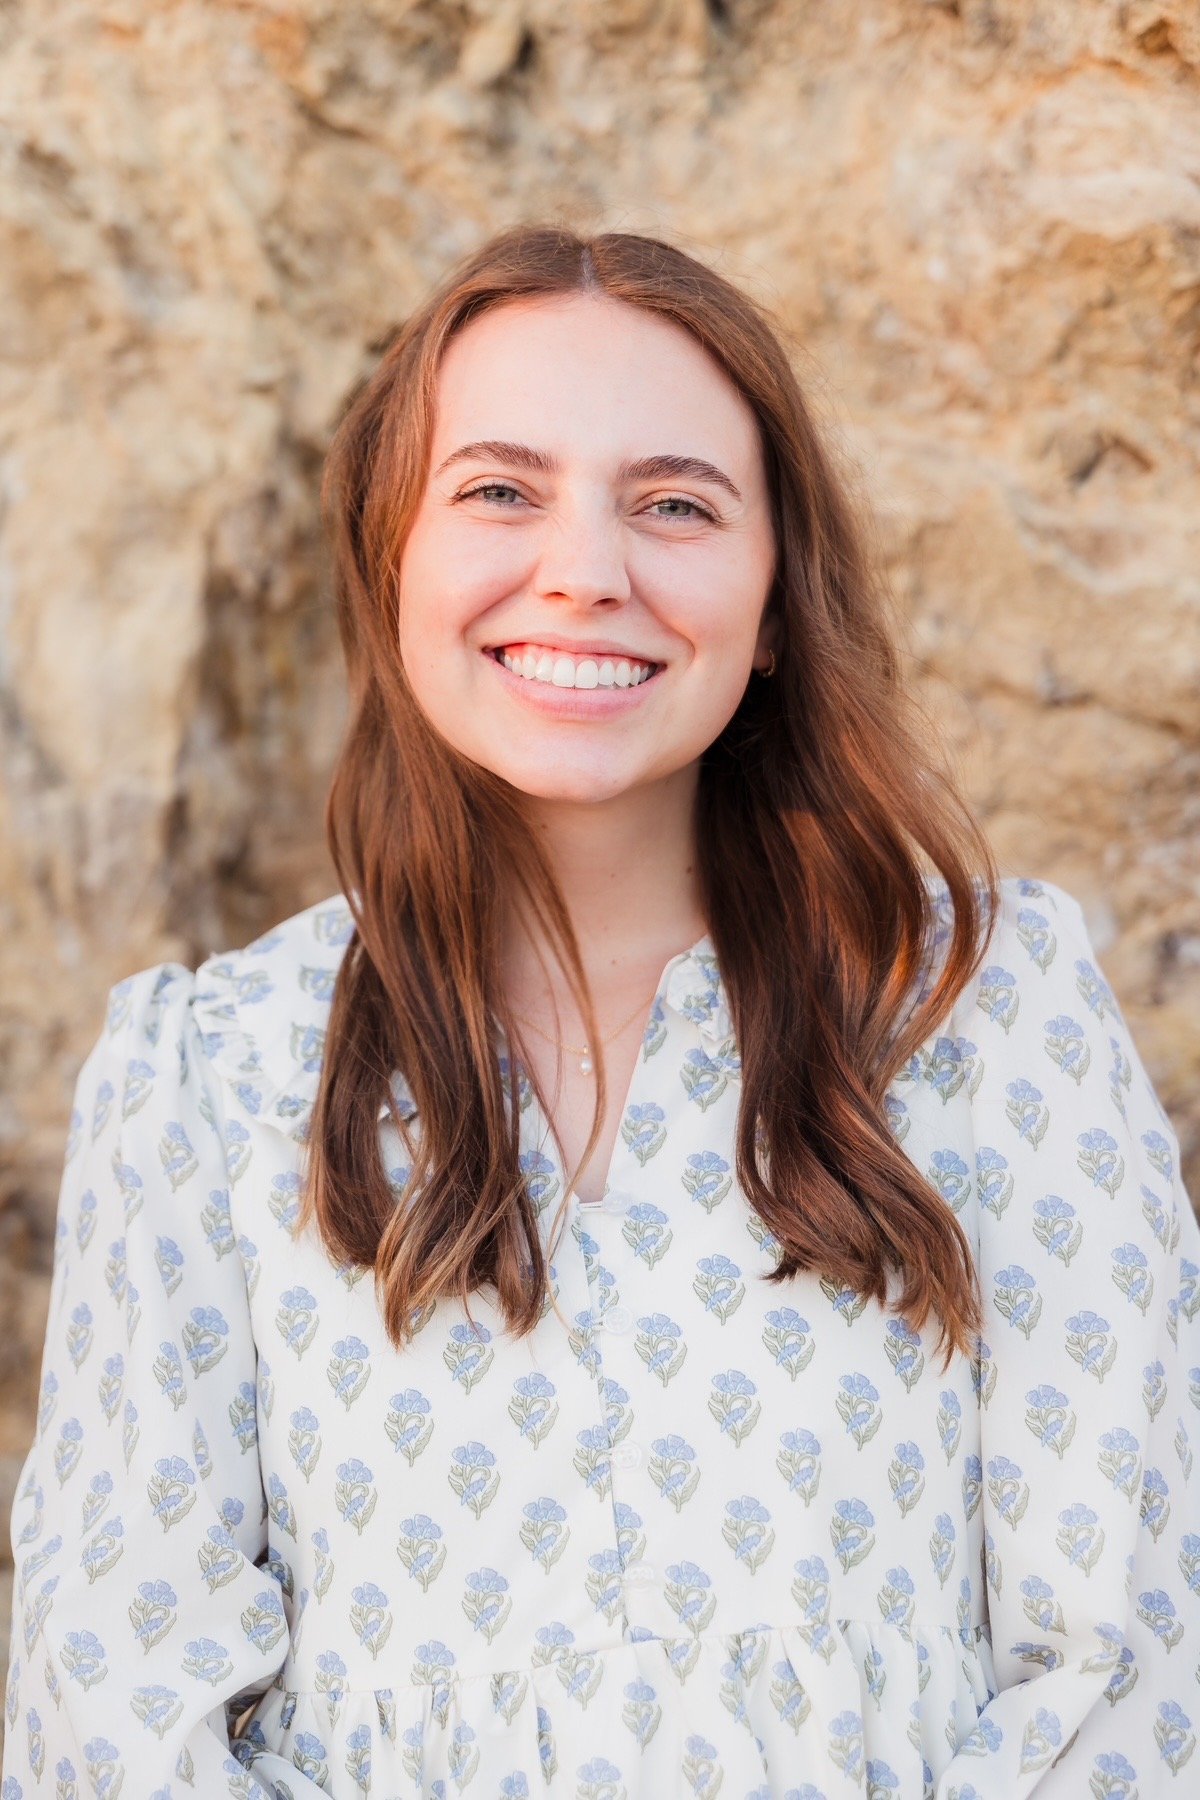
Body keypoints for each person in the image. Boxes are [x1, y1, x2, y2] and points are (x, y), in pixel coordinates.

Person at [2, 224, 1197, 1800]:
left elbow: (1140, 1665)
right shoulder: (209, 1077)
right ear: (392, 559)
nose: (585, 568)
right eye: (498, 490)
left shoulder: (987, 1011)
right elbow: (114, 1700)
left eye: (676, 504)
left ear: (775, 602)